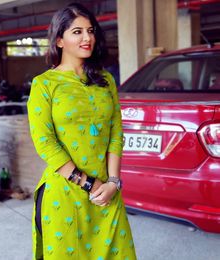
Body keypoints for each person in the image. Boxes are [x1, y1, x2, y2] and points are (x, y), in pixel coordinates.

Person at [27, 3, 137, 259]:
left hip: (107, 195)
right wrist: (89, 183)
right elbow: (45, 143)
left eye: (90, 31)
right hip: (65, 194)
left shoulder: (105, 80)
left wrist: (113, 182)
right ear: (60, 40)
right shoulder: (44, 84)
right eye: (77, 32)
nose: (87, 38)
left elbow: (115, 133)